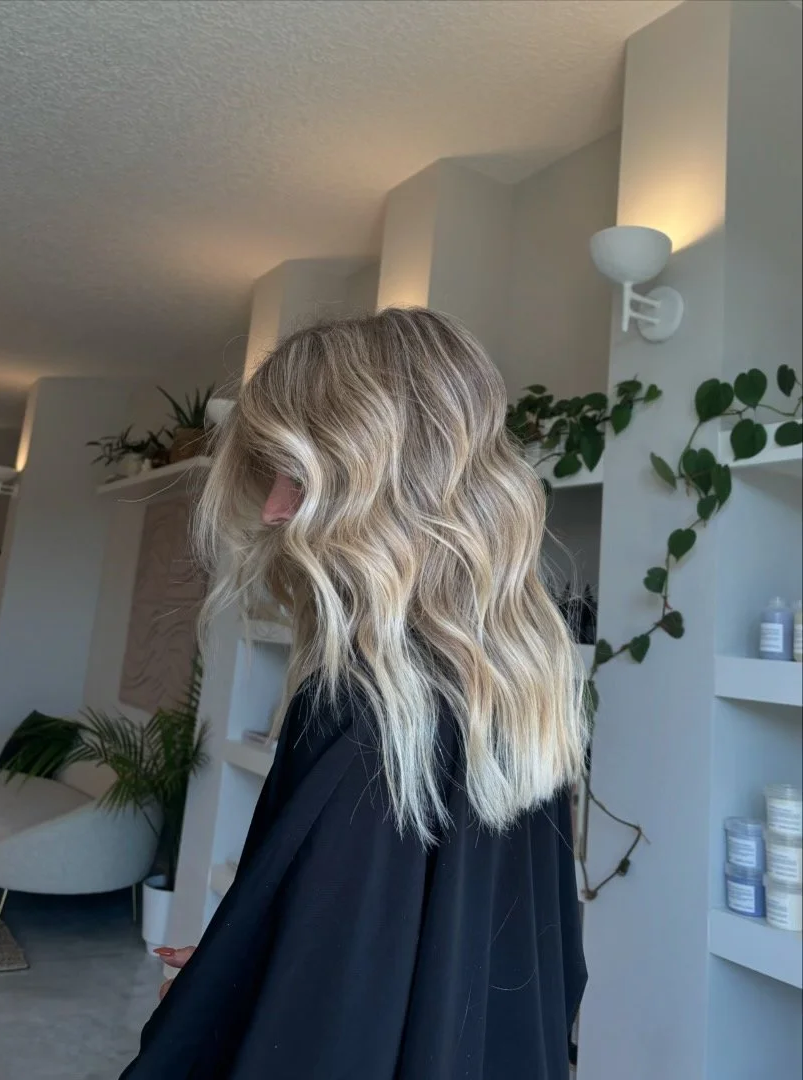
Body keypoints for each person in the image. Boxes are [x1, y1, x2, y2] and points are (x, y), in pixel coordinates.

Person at [120, 307, 587, 1080]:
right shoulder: (515, 685)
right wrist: (258, 953)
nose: (273, 508)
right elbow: (544, 965)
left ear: (386, 482)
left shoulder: (368, 707)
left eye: (297, 474)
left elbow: (323, 1036)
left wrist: (224, 1003)